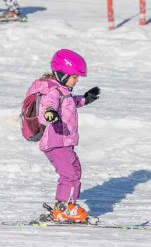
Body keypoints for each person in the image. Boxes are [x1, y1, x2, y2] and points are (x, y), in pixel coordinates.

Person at [23, 49, 101, 223]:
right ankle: (65, 208)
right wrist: (50, 114)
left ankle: (64, 206)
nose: (77, 80)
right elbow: (47, 108)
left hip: (64, 141)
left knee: (74, 171)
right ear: (62, 73)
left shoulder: (62, 90)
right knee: (70, 175)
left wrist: (86, 99)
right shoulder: (52, 92)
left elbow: (69, 103)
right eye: (75, 76)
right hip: (55, 141)